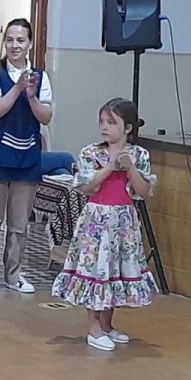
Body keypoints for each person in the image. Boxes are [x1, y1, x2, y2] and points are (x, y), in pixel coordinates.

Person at [51, 99, 158, 351]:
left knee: (115, 269)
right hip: (97, 220)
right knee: (96, 268)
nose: (105, 127)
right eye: (102, 122)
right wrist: (110, 167)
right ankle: (94, 327)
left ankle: (108, 324)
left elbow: (143, 191)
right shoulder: (91, 153)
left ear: (128, 128)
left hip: (123, 220)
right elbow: (86, 187)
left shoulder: (140, 155)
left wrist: (130, 168)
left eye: (112, 123)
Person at [0, 18, 53, 295]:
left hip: (27, 156)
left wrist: (31, 96)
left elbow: (46, 116)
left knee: (19, 223)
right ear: (4, 42)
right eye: (10, 40)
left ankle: (14, 274)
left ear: (30, 44)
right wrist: (17, 88)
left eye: (21, 40)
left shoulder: (40, 77)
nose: (15, 45)